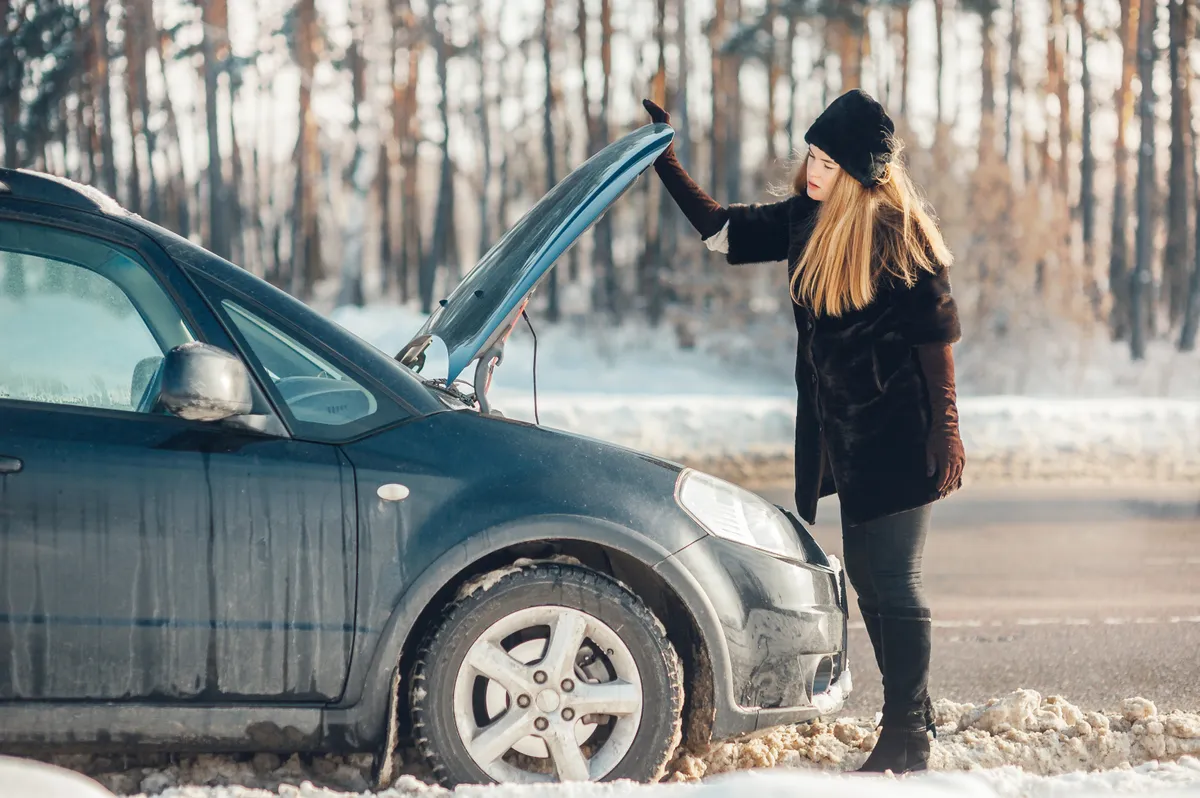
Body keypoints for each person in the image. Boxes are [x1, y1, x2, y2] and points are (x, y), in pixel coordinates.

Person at [642, 89, 966, 774]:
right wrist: (664, 158)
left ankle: (908, 733)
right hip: (845, 436)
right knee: (871, 586)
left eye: (826, 163)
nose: (811, 171)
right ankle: (915, 712)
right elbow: (721, 231)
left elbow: (936, 339)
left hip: (903, 431)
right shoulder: (803, 219)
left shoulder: (895, 231)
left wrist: (948, 431)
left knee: (895, 581)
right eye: (811, 157)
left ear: (856, 172)